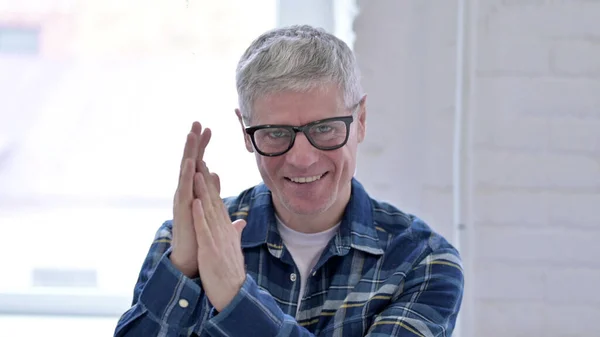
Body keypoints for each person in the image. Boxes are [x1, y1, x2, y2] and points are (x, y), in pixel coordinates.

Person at [114, 24, 464, 337]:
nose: (300, 158)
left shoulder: (424, 262)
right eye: (276, 132)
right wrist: (181, 271)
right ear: (246, 133)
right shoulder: (182, 240)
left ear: (360, 120)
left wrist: (237, 299)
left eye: (324, 128)